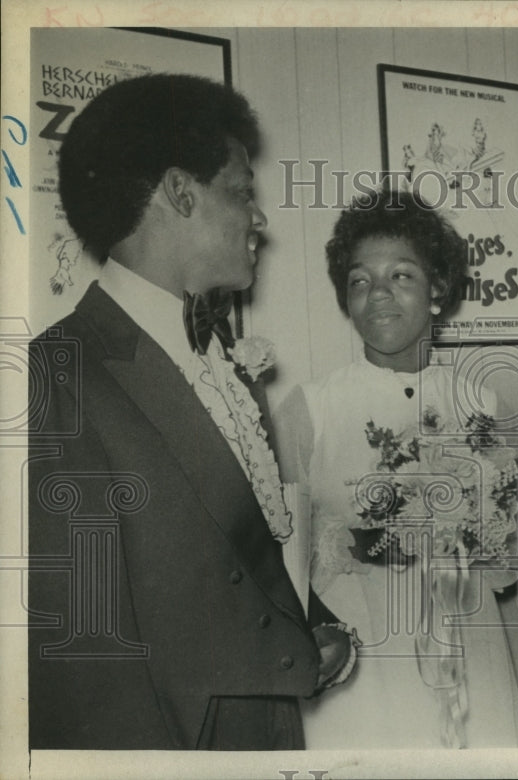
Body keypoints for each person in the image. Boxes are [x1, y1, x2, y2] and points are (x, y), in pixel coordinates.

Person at [28, 73, 355, 750]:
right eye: (241, 192)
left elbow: (234, 556)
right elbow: (84, 664)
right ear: (181, 193)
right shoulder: (55, 375)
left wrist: (313, 628)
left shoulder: (227, 364)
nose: (259, 219)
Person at [273, 187, 518, 749]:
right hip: (361, 647)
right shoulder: (311, 407)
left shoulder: (482, 405)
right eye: (359, 280)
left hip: (465, 632)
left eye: (400, 276)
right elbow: (278, 548)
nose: (378, 295)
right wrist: (353, 545)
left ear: (438, 289)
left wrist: (465, 539)